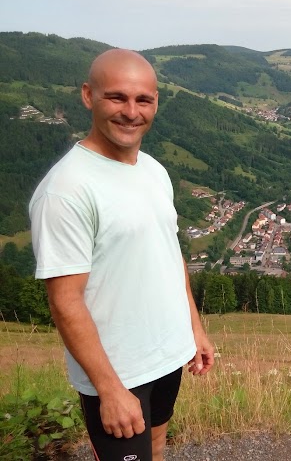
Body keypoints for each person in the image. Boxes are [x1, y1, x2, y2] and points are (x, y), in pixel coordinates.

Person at [29, 49, 214, 461]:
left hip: (166, 355)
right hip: (117, 373)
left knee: (157, 447)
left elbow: (169, 253)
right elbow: (65, 301)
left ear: (156, 102)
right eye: (116, 98)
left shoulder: (153, 170)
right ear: (87, 95)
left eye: (142, 100)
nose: (131, 112)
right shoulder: (66, 190)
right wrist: (109, 389)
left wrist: (193, 330)